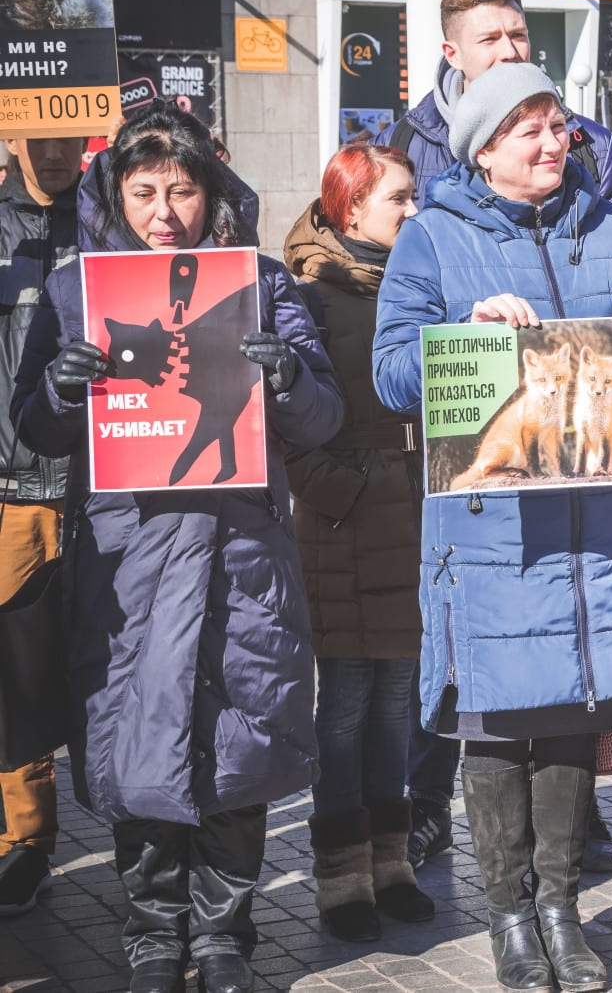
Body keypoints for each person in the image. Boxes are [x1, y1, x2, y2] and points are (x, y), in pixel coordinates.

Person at [9, 101, 344, 993]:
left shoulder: (265, 284)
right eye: (146, 190)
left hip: (241, 560)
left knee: (239, 742)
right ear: (118, 194)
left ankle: (227, 933)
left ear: (211, 194)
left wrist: (286, 375)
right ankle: (155, 932)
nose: (165, 210)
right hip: (130, 559)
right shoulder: (82, 286)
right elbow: (33, 428)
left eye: (184, 190)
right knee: (137, 745)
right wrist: (58, 385)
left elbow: (323, 418)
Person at [372, 62, 612, 993]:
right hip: (492, 526)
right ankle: (510, 912)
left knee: (575, 715)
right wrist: (463, 332)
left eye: (559, 127)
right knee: (499, 725)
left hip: (597, 519)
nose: (554, 144)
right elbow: (391, 375)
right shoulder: (430, 238)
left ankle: (560, 907)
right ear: (484, 148)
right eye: (531, 130)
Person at [281, 142, 436, 943]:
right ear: (351, 209)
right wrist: (361, 486)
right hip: (345, 530)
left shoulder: (424, 284)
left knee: (396, 708)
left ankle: (392, 861)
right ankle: (341, 875)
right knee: (341, 709)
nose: (413, 210)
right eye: (397, 199)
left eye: (414, 196)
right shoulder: (308, 296)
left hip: (413, 525)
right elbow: (292, 433)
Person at [0, 134, 84, 918]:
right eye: (37, 135)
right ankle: (26, 841)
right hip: (13, 487)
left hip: (98, 489)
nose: (53, 150)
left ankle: (136, 827)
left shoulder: (111, 219)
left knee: (105, 662)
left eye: (69, 134)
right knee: (15, 672)